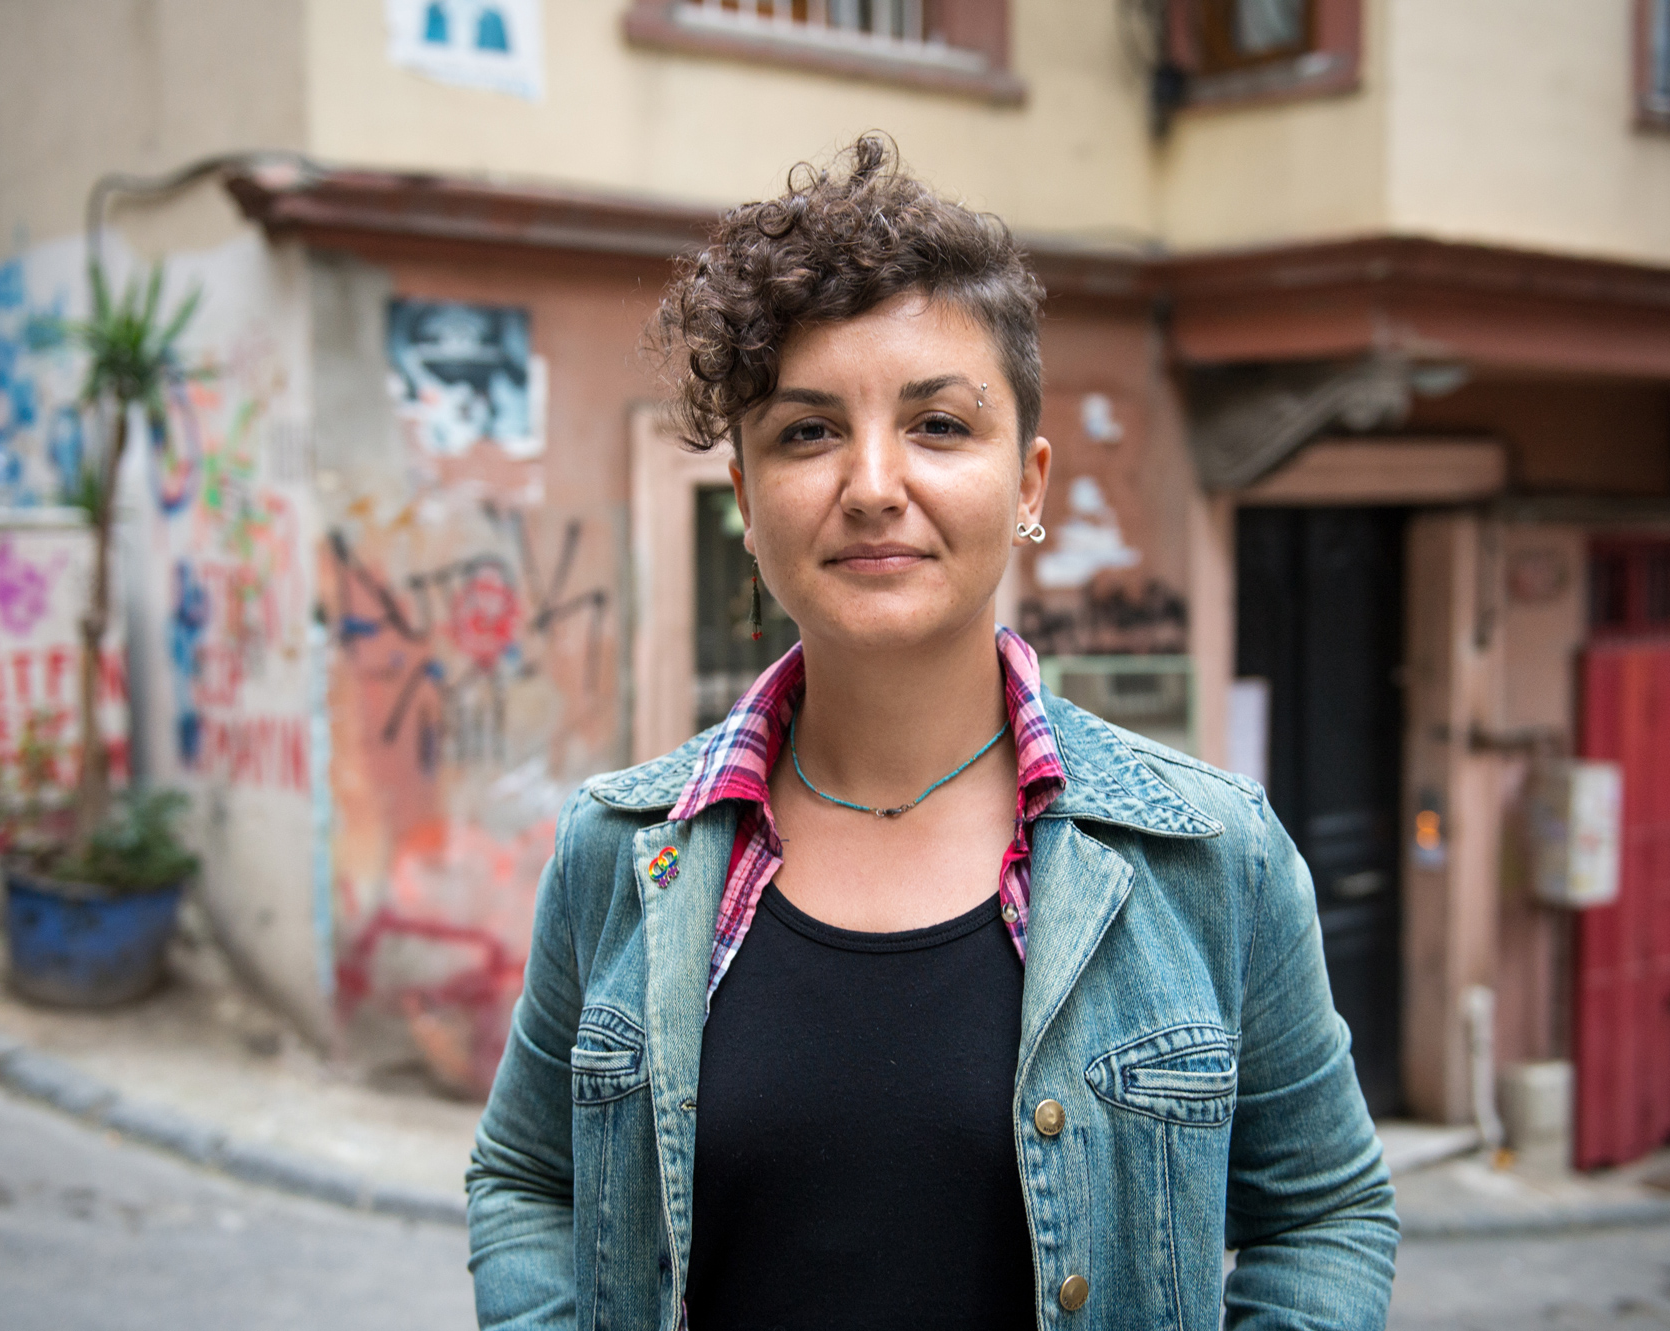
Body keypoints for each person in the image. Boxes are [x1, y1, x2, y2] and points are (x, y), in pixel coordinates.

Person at [466, 135, 1398, 1331]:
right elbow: (528, 1180)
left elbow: (1322, 1213)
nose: (869, 482)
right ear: (744, 501)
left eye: (939, 425)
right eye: (805, 431)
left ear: (1028, 485)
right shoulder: (617, 850)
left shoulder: (1211, 856)